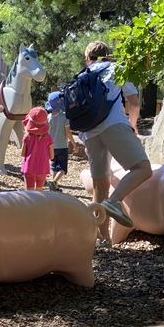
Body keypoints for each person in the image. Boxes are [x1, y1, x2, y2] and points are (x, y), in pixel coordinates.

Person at [79, 41, 152, 248]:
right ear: (108, 56)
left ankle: (102, 238)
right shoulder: (116, 69)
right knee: (143, 168)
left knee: (100, 186)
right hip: (114, 126)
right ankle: (114, 201)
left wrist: (85, 137)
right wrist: (133, 125)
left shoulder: (83, 75)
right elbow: (134, 102)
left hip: (90, 133)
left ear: (87, 59)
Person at [46, 96, 77, 191]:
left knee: (54, 166)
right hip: (62, 146)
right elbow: (68, 132)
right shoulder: (64, 117)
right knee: (63, 168)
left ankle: (55, 186)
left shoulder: (48, 117)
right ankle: (54, 182)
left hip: (52, 146)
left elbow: (47, 132)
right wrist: (74, 144)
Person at [20, 107, 54, 191]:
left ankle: (29, 204)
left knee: (29, 193)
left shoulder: (27, 137)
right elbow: (52, 156)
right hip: (42, 168)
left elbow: (23, 153)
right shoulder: (48, 138)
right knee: (39, 192)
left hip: (29, 167)